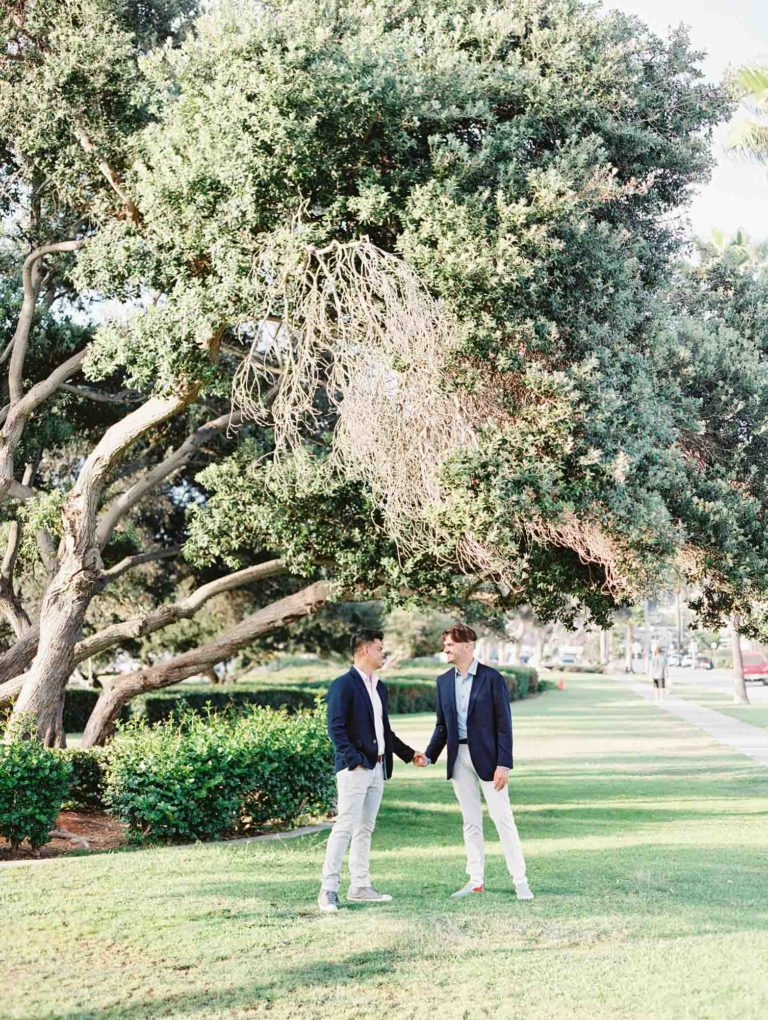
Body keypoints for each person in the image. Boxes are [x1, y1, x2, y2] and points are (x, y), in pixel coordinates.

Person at [422, 623, 533, 900]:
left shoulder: (491, 678)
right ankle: (475, 880)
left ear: (467, 646)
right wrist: (429, 755)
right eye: (445, 644)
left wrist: (503, 764)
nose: (445, 649)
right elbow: (441, 726)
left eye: (450, 645)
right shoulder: (443, 681)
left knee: (502, 819)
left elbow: (504, 725)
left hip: (488, 759)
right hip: (458, 759)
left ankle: (520, 881)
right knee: (470, 822)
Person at [318, 629, 426, 912]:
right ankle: (328, 889)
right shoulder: (343, 685)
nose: (383, 653)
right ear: (365, 650)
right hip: (355, 769)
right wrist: (355, 760)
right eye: (380, 648)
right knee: (344, 827)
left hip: (378, 768)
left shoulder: (379, 686)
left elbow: (384, 731)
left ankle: (360, 886)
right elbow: (336, 730)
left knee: (365, 829)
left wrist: (408, 753)